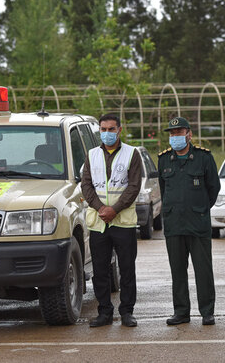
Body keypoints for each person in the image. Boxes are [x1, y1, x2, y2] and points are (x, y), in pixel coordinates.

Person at [158, 116, 221, 326]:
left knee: (203, 269)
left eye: (179, 132)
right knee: (177, 270)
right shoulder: (164, 159)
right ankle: (181, 312)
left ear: (189, 134)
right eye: (172, 133)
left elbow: (214, 188)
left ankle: (207, 312)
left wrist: (201, 208)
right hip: (174, 223)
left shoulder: (204, 157)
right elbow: (164, 188)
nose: (175, 136)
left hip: (198, 223)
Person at [81, 114, 142, 328]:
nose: (107, 133)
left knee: (126, 269)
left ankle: (127, 312)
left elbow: (134, 187)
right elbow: (86, 185)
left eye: (111, 129)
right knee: (100, 270)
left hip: (123, 221)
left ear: (119, 130)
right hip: (99, 222)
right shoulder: (91, 155)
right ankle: (104, 312)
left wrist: (114, 209)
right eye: (103, 129)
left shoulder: (132, 154)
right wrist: (101, 208)